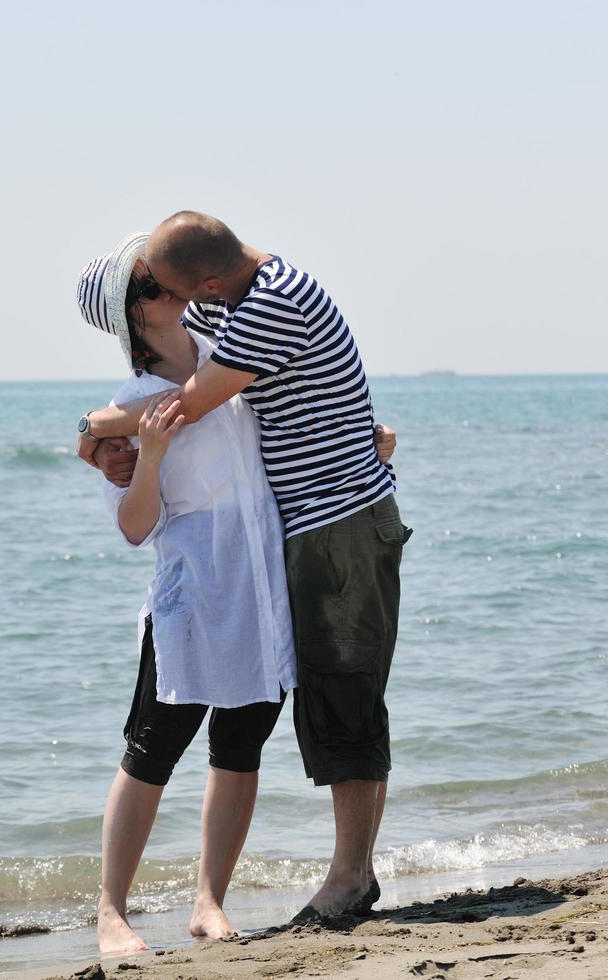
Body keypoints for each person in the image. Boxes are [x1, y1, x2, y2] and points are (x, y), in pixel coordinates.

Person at [77, 212, 409, 924]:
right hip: (206, 586)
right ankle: (112, 910)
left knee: (257, 736)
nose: (166, 288)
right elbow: (136, 521)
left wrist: (94, 427)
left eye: (163, 276)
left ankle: (223, 900)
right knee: (155, 744)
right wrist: (116, 436)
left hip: (277, 570)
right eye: (148, 282)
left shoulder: (235, 335)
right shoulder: (146, 394)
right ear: (134, 313)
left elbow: (206, 405)